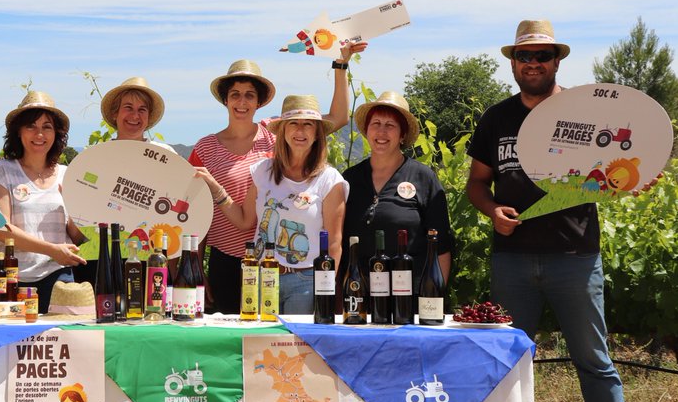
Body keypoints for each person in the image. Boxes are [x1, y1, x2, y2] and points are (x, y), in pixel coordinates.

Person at [466, 19, 641, 402]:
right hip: (512, 261)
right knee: (507, 364)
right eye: (525, 56)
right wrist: (491, 210)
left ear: (557, 60)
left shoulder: (585, 113)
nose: (534, 63)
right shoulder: (496, 119)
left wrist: (633, 175)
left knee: (594, 360)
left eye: (542, 55)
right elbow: (476, 184)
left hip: (575, 258)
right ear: (513, 63)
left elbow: (623, 165)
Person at [190, 44, 363, 314]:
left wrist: (340, 65)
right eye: (235, 95)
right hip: (228, 259)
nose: (242, 102)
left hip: (280, 267)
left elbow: (336, 118)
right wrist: (195, 265)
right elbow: (196, 211)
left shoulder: (275, 136)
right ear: (225, 100)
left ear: (259, 102)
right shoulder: (206, 147)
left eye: (250, 95)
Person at [0, 92, 86, 312]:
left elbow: (78, 236)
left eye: (47, 126)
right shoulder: (2, 171)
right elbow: (1, 229)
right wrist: (52, 250)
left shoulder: (68, 175)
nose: (39, 134)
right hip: (9, 278)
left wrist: (76, 212)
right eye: (31, 126)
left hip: (58, 277)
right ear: (18, 132)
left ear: (56, 133)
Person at [341, 91, 453, 283]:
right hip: (360, 296)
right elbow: (341, 243)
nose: (382, 132)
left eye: (390, 125)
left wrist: (435, 296)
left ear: (402, 135)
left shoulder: (423, 178)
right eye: (376, 124)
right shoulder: (350, 179)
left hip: (410, 295)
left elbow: (441, 245)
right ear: (367, 131)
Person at [99, 76, 175, 151]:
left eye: (142, 109)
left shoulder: (165, 153)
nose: (135, 116)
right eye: (128, 108)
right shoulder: (98, 154)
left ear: (148, 116)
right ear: (115, 113)